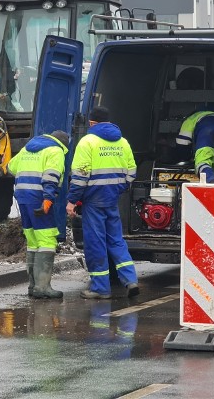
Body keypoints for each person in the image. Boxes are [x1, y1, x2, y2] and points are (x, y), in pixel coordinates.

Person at [66, 106, 139, 300]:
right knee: (116, 240)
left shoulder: (87, 142)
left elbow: (80, 176)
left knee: (95, 243)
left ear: (91, 123)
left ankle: (100, 288)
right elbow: (131, 173)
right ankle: (130, 280)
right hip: (111, 199)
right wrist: (116, 189)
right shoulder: (123, 142)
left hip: (93, 201)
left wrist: (72, 201)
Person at [8, 130, 69, 299]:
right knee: (47, 238)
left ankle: (33, 285)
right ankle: (43, 287)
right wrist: (48, 199)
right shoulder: (55, 150)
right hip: (40, 197)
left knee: (33, 239)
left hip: (22, 196)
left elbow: (11, 167)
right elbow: (52, 176)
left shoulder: (28, 147)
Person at [176, 109, 214, 194]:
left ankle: (210, 179)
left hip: (208, 130)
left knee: (202, 161)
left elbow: (183, 143)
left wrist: (185, 158)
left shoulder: (189, 120)